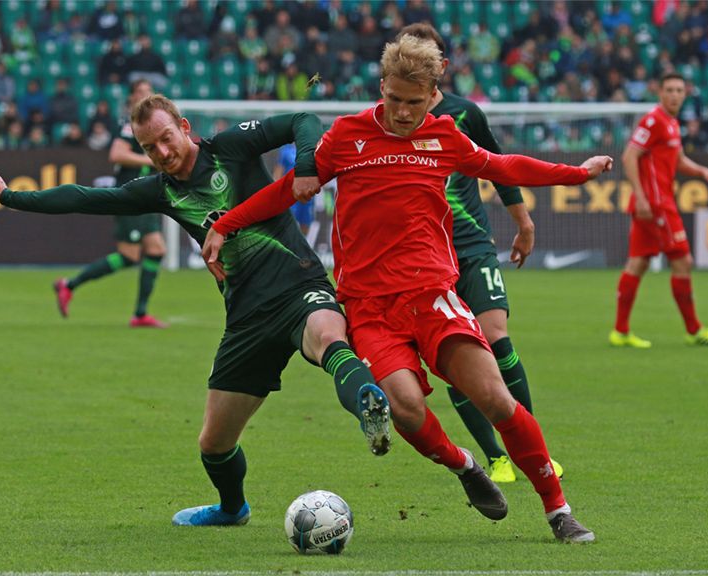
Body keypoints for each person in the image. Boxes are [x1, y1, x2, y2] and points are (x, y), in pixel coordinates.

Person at [203, 35, 613, 542]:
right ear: (382, 87)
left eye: (413, 103)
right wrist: (227, 224)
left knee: (496, 399)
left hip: (433, 296)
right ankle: (464, 465)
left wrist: (577, 173)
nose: (401, 112)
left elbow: (502, 166)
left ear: (432, 95)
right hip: (370, 308)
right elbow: (287, 190)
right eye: (394, 99)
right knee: (403, 405)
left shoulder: (445, 137)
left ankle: (557, 509)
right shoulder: (346, 137)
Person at [0, 94, 393, 527]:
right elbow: (86, 198)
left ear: (185, 128)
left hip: (297, 285)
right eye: (149, 148)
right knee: (214, 443)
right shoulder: (161, 191)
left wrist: (306, 164)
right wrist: (11, 196)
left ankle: (369, 405)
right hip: (246, 319)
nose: (162, 153)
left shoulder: (231, 146)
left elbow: (304, 119)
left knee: (328, 336)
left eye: (166, 139)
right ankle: (232, 510)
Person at [396, 23, 561, 484]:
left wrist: (523, 220)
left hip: (472, 247)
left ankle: (532, 445)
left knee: (498, 338)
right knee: (456, 354)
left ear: (440, 67)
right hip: (427, 260)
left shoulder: (465, 115)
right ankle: (496, 456)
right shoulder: (391, 120)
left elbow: (499, 165)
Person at [610, 72, 708, 349]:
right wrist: (640, 197)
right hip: (656, 204)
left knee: (638, 263)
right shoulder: (653, 120)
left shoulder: (671, 123)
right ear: (660, 93)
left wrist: (701, 171)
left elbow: (677, 160)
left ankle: (620, 331)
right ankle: (694, 330)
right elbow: (629, 155)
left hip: (657, 202)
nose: (675, 95)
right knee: (683, 261)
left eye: (679, 90)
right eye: (670, 90)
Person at [52, 80, 168, 328]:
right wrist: (148, 159)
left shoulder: (149, 126)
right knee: (129, 255)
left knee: (156, 250)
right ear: (132, 98)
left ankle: (139, 314)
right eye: (140, 92)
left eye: (149, 93)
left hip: (145, 196)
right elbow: (116, 154)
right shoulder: (129, 126)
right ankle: (69, 285)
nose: (145, 96)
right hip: (131, 195)